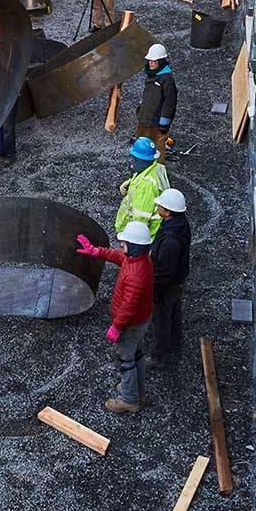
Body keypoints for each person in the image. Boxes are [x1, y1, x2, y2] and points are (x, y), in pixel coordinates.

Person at [76, 223, 154, 414]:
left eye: (125, 243)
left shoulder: (135, 276)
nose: (121, 245)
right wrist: (96, 251)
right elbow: (118, 256)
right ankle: (137, 391)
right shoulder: (139, 260)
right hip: (140, 321)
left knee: (125, 360)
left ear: (134, 246)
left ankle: (129, 400)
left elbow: (128, 308)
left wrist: (117, 326)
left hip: (131, 325)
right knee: (136, 354)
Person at [148, 188, 192, 365]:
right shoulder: (180, 224)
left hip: (167, 285)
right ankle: (175, 344)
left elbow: (164, 272)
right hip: (176, 282)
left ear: (167, 212)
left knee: (161, 318)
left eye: (160, 205)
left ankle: (159, 356)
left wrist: (155, 290)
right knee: (174, 312)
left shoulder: (170, 241)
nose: (157, 206)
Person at [115, 136, 170, 237]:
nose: (132, 162)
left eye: (134, 159)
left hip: (138, 237)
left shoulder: (145, 187)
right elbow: (142, 177)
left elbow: (140, 219)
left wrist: (130, 239)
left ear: (140, 160)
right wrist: (130, 183)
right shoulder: (155, 168)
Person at [135, 43, 177, 154]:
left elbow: (169, 104)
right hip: (144, 119)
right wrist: (141, 109)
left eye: (154, 61)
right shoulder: (151, 75)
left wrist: (164, 123)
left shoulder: (167, 80)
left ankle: (157, 165)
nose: (151, 63)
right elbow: (147, 96)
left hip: (156, 122)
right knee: (141, 145)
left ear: (161, 61)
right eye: (150, 61)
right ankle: (141, 163)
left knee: (158, 147)